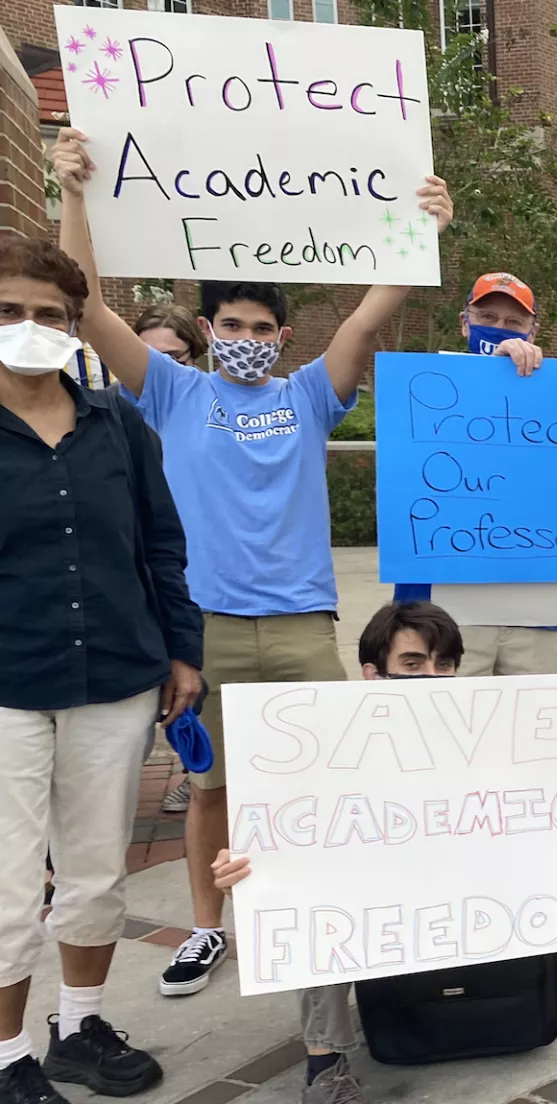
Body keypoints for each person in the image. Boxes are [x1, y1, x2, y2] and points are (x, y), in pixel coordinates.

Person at [50, 126, 454, 997]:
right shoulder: (171, 388)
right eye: (230, 324)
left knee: (329, 786)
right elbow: (80, 305)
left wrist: (424, 228)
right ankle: (207, 929)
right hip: (208, 630)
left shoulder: (311, 392)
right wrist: (74, 196)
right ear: (206, 328)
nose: (245, 336)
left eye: (262, 327)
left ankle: (323, 914)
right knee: (212, 790)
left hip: (306, 626)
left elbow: (368, 312)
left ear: (281, 335)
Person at [208, 601, 557, 1103]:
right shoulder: (328, 750)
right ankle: (325, 1063)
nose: (432, 677)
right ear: (373, 675)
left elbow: (540, 816)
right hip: (377, 899)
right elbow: (294, 858)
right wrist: (250, 877)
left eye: (443, 665)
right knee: (315, 907)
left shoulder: (490, 734)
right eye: (412, 665)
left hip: (464, 892)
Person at [0, 236, 202, 1104]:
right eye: (9, 310)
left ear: (75, 324)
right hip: (9, 684)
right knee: (8, 882)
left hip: (115, 674)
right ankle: (7, 1056)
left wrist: (182, 647)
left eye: (50, 313)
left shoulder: (115, 420)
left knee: (94, 871)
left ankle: (78, 1022)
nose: (30, 327)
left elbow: (160, 538)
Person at [391, 273, 557, 678]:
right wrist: (487, 375)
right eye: (486, 315)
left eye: (513, 322)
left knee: (539, 731)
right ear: (464, 322)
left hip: (534, 608)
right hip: (442, 608)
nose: (499, 329)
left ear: (533, 330)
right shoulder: (425, 388)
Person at [129, 304, 212, 817]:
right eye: (147, 355)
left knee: (190, 684)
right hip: (132, 577)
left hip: (193, 573)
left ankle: (192, 770)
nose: (163, 367)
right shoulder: (106, 413)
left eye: (176, 357)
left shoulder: (203, 409)